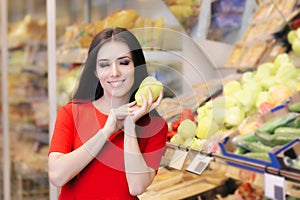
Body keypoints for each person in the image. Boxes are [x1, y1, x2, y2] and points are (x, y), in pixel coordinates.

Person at [48, 27, 168, 199]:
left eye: (124, 62)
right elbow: (57, 176)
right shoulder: (72, 113)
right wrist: (106, 131)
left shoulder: (155, 126)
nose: (114, 72)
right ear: (95, 71)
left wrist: (129, 127)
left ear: (137, 66)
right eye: (104, 64)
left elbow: (137, 187)